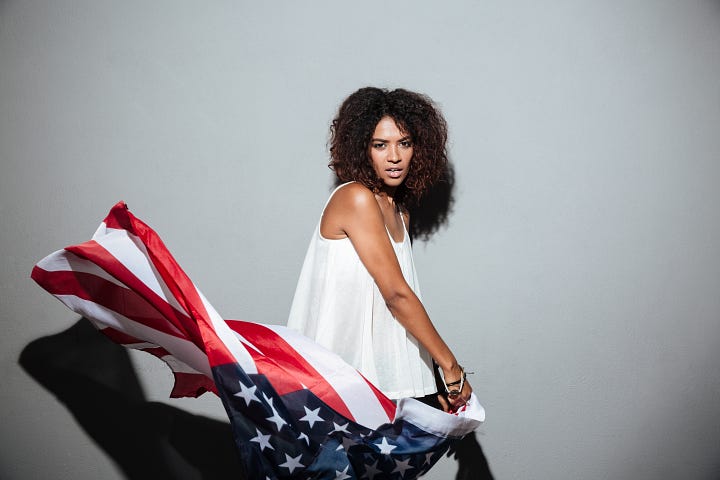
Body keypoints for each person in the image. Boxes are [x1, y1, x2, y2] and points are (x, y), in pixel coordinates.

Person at [287, 86, 472, 411]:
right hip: (338, 384)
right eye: (380, 145)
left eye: (404, 143)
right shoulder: (355, 198)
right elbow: (396, 296)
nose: (395, 156)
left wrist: (429, 382)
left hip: (381, 382)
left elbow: (389, 314)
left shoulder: (400, 211)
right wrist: (450, 368)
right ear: (362, 149)